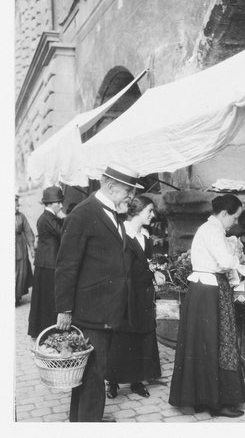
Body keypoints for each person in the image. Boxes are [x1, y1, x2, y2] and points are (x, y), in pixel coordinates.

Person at [54, 164, 143, 422]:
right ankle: (89, 422)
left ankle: (80, 420)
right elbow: (66, 264)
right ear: (111, 185)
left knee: (91, 373)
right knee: (94, 373)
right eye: (128, 190)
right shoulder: (83, 213)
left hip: (107, 307)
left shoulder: (114, 211)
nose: (131, 196)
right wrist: (64, 309)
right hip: (91, 310)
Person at [169, 194, 245, 418]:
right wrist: (240, 263)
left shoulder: (210, 229)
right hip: (209, 291)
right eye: (234, 217)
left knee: (203, 344)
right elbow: (224, 262)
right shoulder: (212, 231)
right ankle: (217, 402)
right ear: (224, 214)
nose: (235, 222)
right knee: (218, 342)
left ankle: (202, 398)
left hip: (203, 290)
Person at [105, 196, 163, 400]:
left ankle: (137, 380)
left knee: (140, 335)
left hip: (143, 294)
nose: (152, 215)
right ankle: (112, 381)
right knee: (121, 337)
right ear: (137, 211)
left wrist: (155, 271)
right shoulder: (120, 233)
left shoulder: (145, 235)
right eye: (149, 211)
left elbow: (147, 261)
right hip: (124, 295)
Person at [28, 186, 64, 338]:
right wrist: (65, 216)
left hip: (45, 263)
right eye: (59, 203)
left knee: (43, 298)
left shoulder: (47, 218)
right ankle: (47, 330)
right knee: (48, 298)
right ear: (52, 203)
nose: (61, 205)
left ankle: (42, 329)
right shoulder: (48, 218)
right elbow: (62, 233)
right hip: (49, 264)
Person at [15, 195, 35, 306]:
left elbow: (28, 232)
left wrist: (32, 248)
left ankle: (16, 297)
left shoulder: (21, 216)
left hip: (20, 247)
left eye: (18, 204)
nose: (17, 206)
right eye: (15, 204)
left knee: (20, 272)